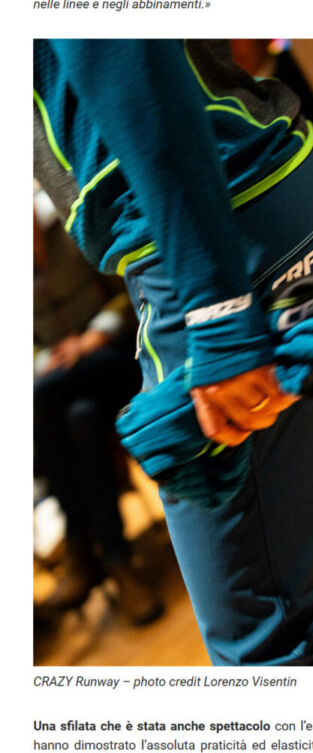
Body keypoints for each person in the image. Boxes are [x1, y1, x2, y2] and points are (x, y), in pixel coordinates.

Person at [33, 39, 313, 667]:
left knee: (281, 648)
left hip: (225, 247)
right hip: (295, 176)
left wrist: (217, 309)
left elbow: (120, 44)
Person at [34, 194, 163, 624]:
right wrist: (46, 359)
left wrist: (94, 337)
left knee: (39, 398)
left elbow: (129, 287)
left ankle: (79, 546)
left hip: (118, 357)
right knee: (81, 419)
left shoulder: (69, 222)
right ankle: (118, 562)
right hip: (65, 390)